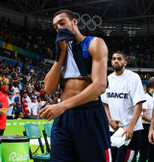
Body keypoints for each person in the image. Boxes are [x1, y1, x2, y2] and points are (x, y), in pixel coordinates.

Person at [37, 9, 111, 161]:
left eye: (62, 23)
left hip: (89, 113)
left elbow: (100, 86)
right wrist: (61, 53)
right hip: (64, 117)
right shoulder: (61, 51)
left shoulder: (94, 43)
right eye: (56, 27)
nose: (59, 28)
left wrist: (63, 105)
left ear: (74, 21)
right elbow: (49, 89)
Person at [101, 51, 146, 162]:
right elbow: (105, 104)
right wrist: (109, 120)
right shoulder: (108, 79)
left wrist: (130, 127)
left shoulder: (133, 78)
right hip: (113, 129)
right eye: (114, 58)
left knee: (126, 160)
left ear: (125, 62)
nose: (116, 61)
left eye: (119, 59)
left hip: (130, 130)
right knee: (110, 159)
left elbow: (138, 105)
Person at [139, 77, 154, 162]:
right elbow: (142, 114)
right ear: (152, 88)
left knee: (153, 154)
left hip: (153, 127)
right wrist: (153, 121)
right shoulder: (146, 98)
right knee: (144, 154)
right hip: (145, 128)